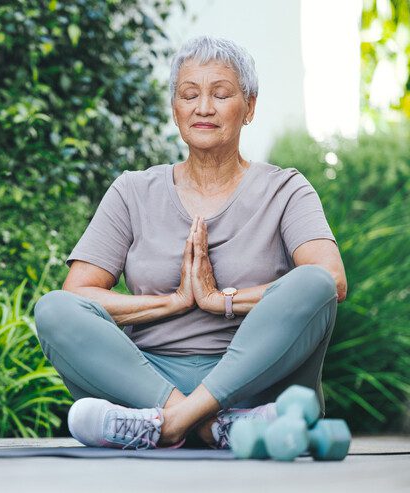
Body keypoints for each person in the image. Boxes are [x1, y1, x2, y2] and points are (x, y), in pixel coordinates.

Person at [34, 35, 347, 450]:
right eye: (189, 94)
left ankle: (168, 426)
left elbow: (331, 281)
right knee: (55, 307)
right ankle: (211, 426)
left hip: (256, 385)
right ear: (175, 108)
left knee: (315, 283)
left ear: (249, 107)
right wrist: (175, 301)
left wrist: (221, 300)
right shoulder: (133, 191)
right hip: (147, 382)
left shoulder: (286, 189)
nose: (203, 108)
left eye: (221, 94)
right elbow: (80, 293)